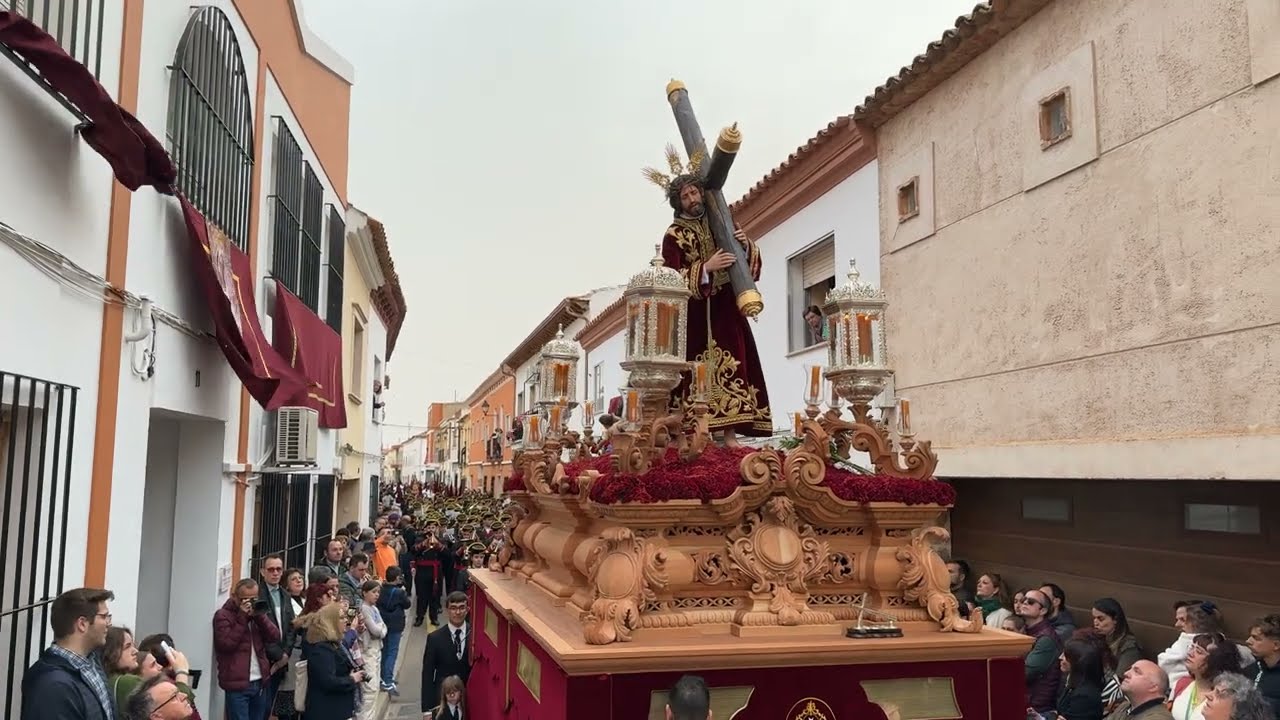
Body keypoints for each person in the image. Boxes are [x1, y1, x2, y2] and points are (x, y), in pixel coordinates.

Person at [655, 170, 772, 445]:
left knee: (735, 363)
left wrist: (746, 245)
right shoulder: (674, 235)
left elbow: (748, 267)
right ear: (677, 202)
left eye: (694, 192)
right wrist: (705, 268)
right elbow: (670, 278)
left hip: (724, 309)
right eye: (685, 196)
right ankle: (692, 436)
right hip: (695, 316)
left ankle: (730, 435)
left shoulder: (719, 221)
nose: (692, 198)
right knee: (694, 373)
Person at [21, 587, 116, 720]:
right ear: (82, 624)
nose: (109, 623)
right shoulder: (53, 686)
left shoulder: (91, 660)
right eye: (104, 616)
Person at [421, 592, 472, 716]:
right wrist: (427, 710)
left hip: (470, 701)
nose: (458, 612)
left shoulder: (475, 635)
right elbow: (427, 675)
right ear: (447, 610)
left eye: (461, 607)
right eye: (453, 608)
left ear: (468, 609)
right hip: (443, 703)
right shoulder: (434, 638)